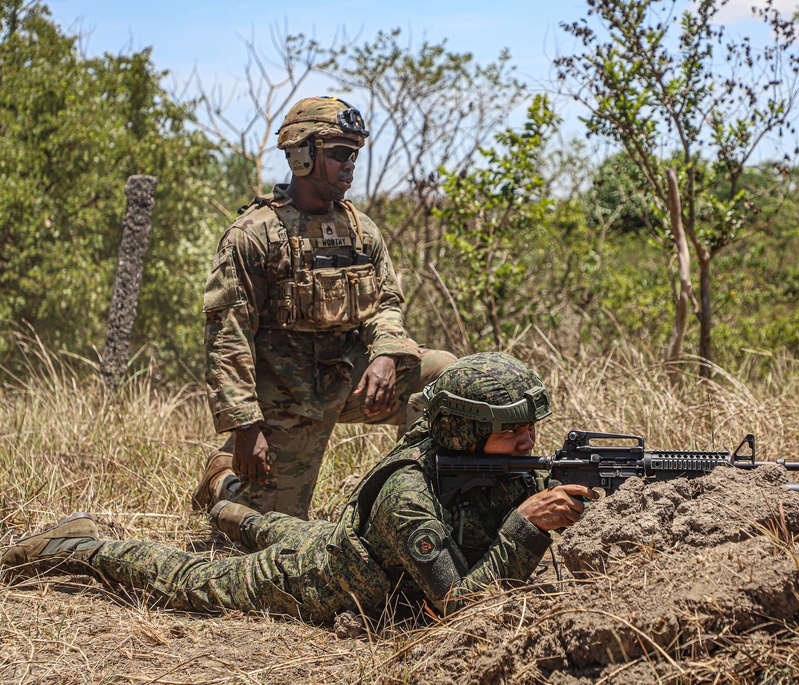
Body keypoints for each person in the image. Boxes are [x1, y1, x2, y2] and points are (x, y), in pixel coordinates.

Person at [1, 353, 598, 622]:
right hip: (320, 579)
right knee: (185, 579)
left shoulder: (482, 460)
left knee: (253, 523)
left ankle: (224, 504)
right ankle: (78, 546)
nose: (528, 443)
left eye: (531, 429)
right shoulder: (408, 495)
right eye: (512, 431)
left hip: (341, 539)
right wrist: (527, 525)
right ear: (468, 431)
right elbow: (456, 607)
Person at [195, 95, 455, 518]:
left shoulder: (361, 230)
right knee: (269, 528)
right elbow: (228, 335)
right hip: (286, 399)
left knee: (446, 376)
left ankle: (415, 495)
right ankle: (222, 476)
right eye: (338, 153)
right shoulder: (253, 235)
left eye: (354, 153)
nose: (350, 163)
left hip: (349, 379)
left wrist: (387, 354)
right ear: (301, 156)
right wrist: (245, 426)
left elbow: (386, 303)